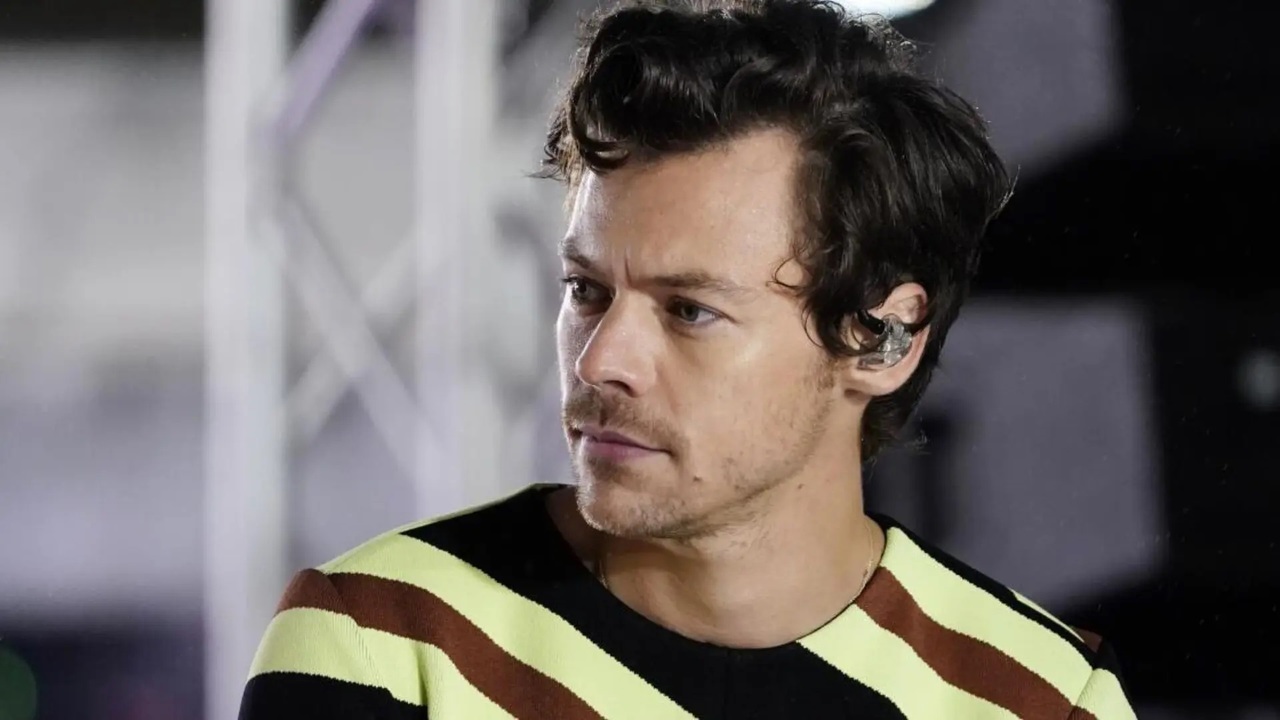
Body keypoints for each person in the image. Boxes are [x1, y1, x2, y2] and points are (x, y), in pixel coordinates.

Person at [238, 1, 1138, 717]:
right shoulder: (382, 647)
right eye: (586, 290)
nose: (602, 360)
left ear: (880, 339)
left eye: (689, 310)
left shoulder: (1040, 699)